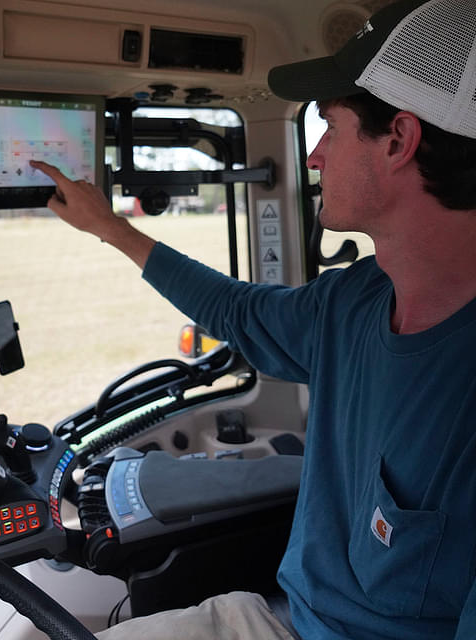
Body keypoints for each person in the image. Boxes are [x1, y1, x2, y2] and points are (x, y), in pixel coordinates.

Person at [30, 0, 476, 637]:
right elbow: (234, 311)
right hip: (284, 620)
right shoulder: (353, 301)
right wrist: (109, 228)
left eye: (330, 127)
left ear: (400, 140)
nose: (315, 155)